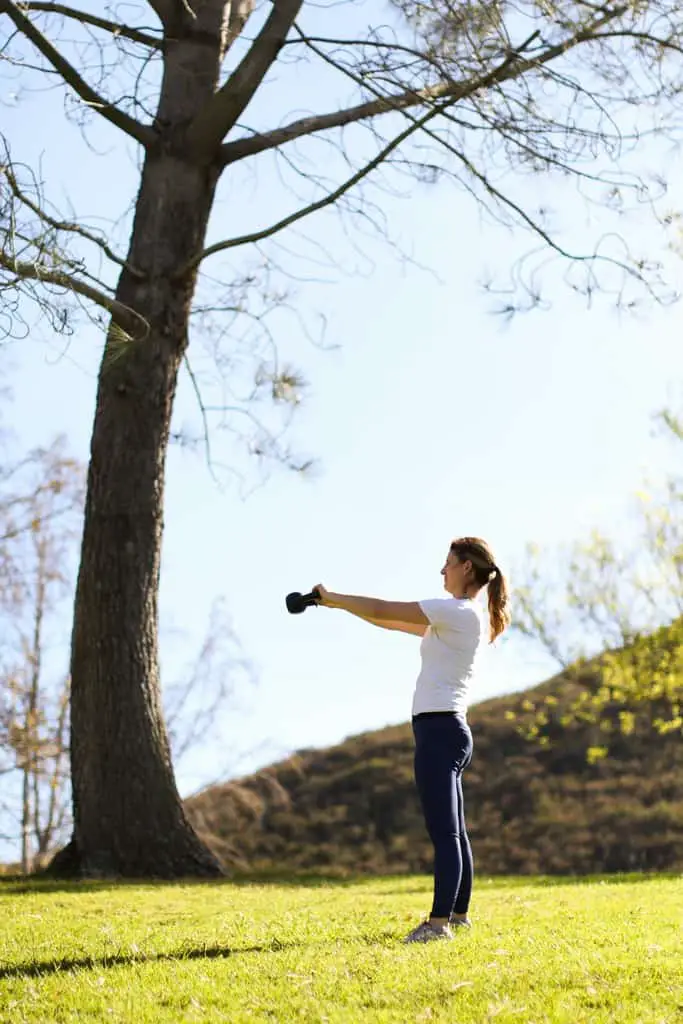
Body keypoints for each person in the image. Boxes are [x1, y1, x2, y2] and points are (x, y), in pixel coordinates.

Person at [313, 536, 510, 943]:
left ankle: (438, 925)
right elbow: (387, 619)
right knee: (455, 830)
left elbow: (386, 607)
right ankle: (457, 916)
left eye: (448, 564)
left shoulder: (455, 612)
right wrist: (337, 605)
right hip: (447, 729)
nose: (442, 571)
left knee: (445, 832)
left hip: (439, 730)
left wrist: (333, 596)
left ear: (466, 569)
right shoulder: (464, 616)